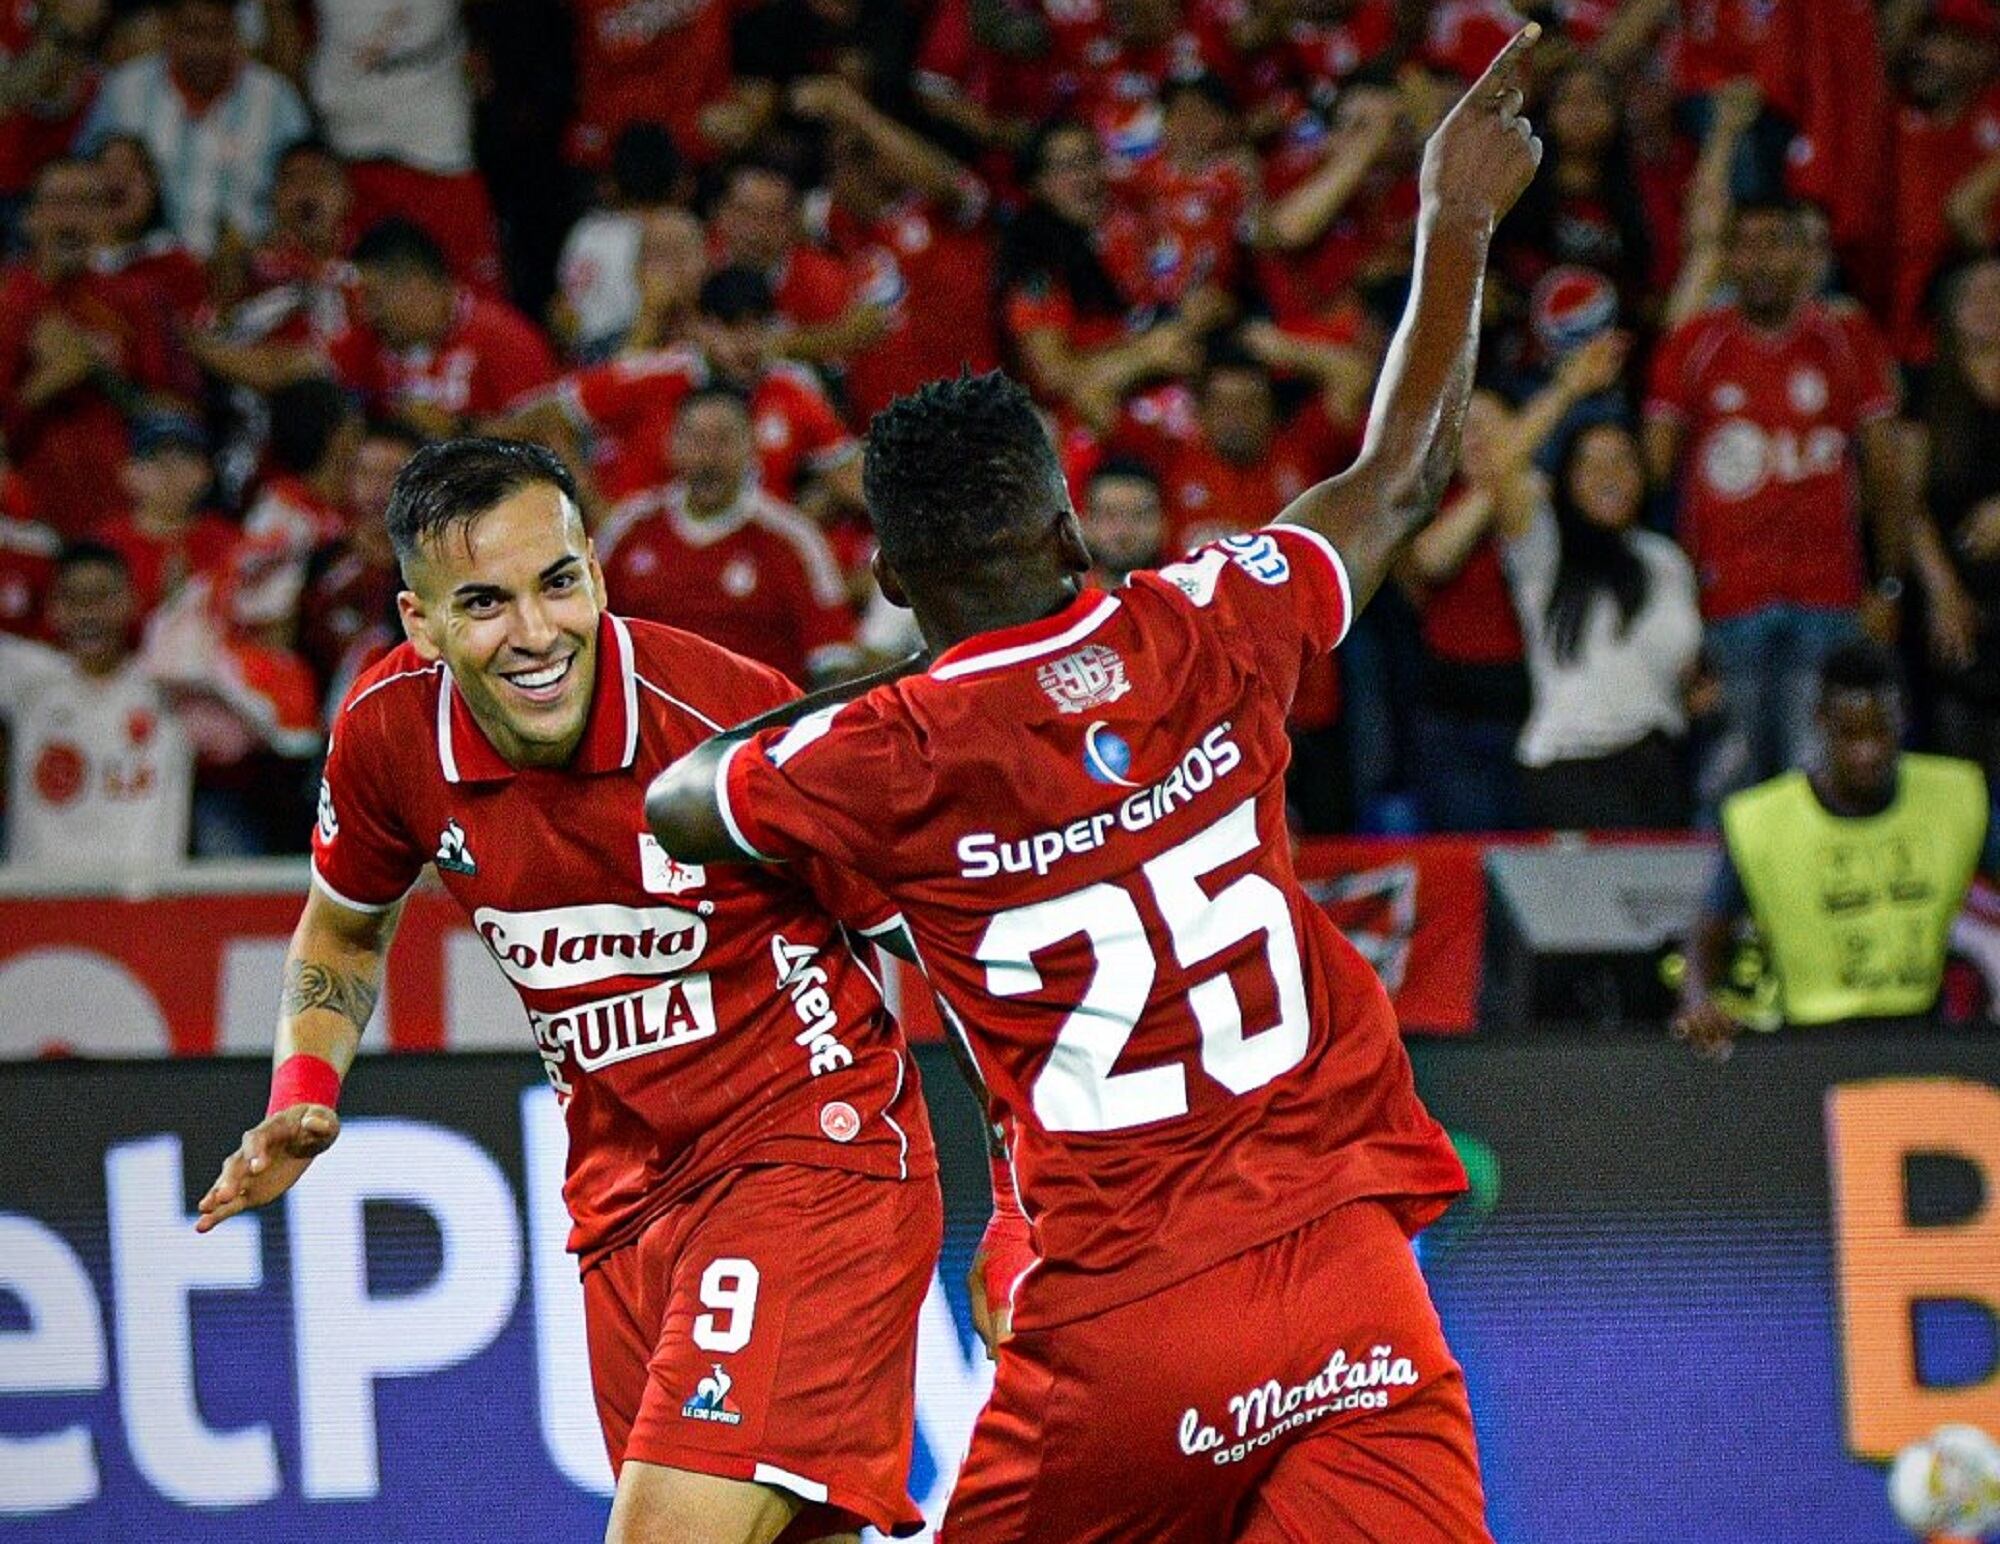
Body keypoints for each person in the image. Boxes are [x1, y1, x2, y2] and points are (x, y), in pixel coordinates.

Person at [646, 30, 1544, 1540]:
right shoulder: (1212, 614)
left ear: (890, 577)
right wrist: (1454, 218)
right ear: (1068, 529)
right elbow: (1398, 473)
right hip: (1351, 1282)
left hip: (1128, 1319)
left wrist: (888, 689)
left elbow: (685, 798)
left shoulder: (880, 755)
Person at [194, 438, 940, 1544]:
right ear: (419, 623)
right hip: (622, 1200)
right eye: (484, 603)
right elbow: (344, 926)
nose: (538, 632)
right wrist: (303, 1089)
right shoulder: (389, 735)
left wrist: (1024, 1198)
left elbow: (943, 939)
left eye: (557, 583)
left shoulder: (722, 718)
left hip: (808, 1157)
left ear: (594, 568)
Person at [1642, 198, 1922, 822]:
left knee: (1814, 780)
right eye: (1745, 245)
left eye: (1775, 242)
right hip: (1725, 602)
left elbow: (1886, 474)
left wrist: (1887, 585)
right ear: (1727, 259)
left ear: (1805, 255)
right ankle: (1724, 891)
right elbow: (1652, 475)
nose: (1760, 259)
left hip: (1828, 599)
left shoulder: (1846, 339)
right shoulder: (1694, 344)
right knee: (1729, 786)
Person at [1673, 641, 1997, 1058]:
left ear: (1903, 719)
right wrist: (1698, 1002)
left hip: (1923, 1039)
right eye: (1850, 734)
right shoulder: (1765, 820)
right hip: (1810, 1047)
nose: (1868, 752)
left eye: (1880, 731)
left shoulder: (1956, 797)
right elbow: (1706, 938)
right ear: (1821, 720)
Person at [597, 386, 859, 687]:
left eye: (724, 439)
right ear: (672, 445)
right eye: (697, 439)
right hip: (648, 710)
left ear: (752, 447)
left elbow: (834, 660)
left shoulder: (793, 539)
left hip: (758, 713)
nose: (709, 456)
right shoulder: (629, 528)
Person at [0, 541, 194, 872]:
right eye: (73, 599)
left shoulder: (171, 686)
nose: (88, 613)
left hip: (143, 896)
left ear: (132, 602)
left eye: (102, 597)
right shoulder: (26, 677)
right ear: (52, 609)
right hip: (42, 895)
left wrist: (181, 616)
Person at [75, 0, 310, 256]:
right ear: (168, 29)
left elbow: (303, 191)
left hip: (249, 268)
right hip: (142, 267)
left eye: (218, 32)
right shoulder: (125, 91)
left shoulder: (277, 100)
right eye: (193, 31)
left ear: (237, 32)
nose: (204, 47)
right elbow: (82, 180)